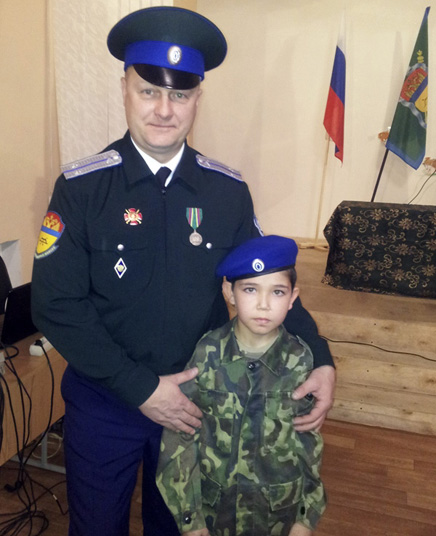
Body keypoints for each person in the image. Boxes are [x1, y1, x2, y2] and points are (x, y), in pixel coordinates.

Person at [31, 6, 334, 536]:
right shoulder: (81, 189)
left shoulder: (227, 193)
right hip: (105, 404)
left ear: (198, 99)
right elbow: (56, 305)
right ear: (124, 89)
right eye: (148, 90)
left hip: (200, 403)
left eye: (180, 94)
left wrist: (321, 358)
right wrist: (143, 388)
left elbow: (270, 283)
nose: (164, 110)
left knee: (181, 527)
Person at [156, 235, 326, 536]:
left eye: (277, 291)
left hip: (277, 515)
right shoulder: (207, 354)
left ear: (292, 298)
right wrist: (189, 519)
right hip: (215, 513)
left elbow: (308, 444)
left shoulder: (301, 361)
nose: (263, 304)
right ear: (229, 293)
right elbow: (180, 436)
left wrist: (305, 517)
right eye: (250, 289)